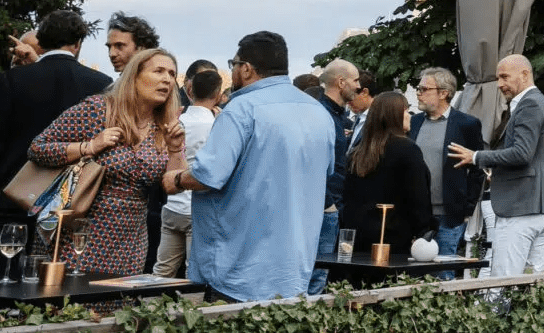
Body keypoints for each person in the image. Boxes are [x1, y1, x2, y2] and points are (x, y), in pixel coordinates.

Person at [172, 32, 337, 301]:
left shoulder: (241, 109)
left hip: (236, 271)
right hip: (293, 271)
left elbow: (208, 175)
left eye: (233, 64)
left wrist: (175, 180)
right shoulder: (318, 112)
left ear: (246, 69)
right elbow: (325, 173)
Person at [0, 9, 111, 274]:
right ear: (78, 43)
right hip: (73, 205)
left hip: (12, 199)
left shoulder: (12, 79)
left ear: (42, 41)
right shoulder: (101, 84)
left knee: (2, 281)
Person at [28, 45, 184, 275]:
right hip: (78, 231)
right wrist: (89, 146)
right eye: (158, 71)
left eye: (171, 74)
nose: (167, 80)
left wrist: (175, 149)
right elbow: (37, 149)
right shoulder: (99, 109)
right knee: (68, 306)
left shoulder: (165, 127)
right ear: (134, 76)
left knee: (117, 305)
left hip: (130, 240)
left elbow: (173, 186)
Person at [449, 55, 544, 277]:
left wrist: (476, 157)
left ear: (525, 74)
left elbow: (522, 154)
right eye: (497, 78)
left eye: (504, 77)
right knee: (530, 282)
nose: (499, 84)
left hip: (522, 208)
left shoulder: (529, 104)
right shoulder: (540, 103)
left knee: (503, 279)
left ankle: (497, 314)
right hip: (538, 207)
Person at [339, 91, 434, 252]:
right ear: (394, 115)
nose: (409, 115)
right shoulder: (407, 149)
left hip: (358, 236)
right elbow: (418, 196)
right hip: (393, 235)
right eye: (405, 110)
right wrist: (425, 230)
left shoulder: (358, 151)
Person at [155, 62, 225, 277]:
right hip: (198, 206)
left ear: (189, 90)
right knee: (193, 272)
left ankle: (149, 306)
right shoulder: (217, 125)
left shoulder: (176, 121)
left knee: (162, 269)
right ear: (219, 94)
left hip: (172, 205)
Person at [408, 67, 484, 261]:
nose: (418, 93)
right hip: (415, 214)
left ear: (444, 93)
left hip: (449, 215)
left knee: (444, 271)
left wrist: (467, 208)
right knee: (413, 273)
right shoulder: (413, 122)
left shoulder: (466, 124)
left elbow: (477, 169)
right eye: (419, 88)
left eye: (424, 89)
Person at [310, 60, 359, 290]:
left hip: (332, 203)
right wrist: (328, 204)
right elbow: (316, 162)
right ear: (341, 82)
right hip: (324, 205)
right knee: (317, 273)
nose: (359, 87)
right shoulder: (322, 115)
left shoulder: (337, 115)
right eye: (355, 81)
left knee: (322, 273)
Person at [103, 12, 158, 78]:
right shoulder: (114, 87)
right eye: (109, 47)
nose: (112, 54)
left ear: (141, 48)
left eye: (119, 46)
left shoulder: (161, 85)